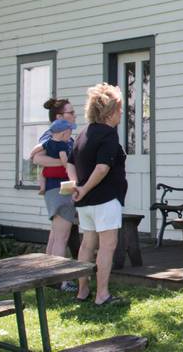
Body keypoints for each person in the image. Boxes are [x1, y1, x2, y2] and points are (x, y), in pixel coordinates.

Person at [66, 83, 127, 305]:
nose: (121, 114)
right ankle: (102, 294)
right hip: (105, 199)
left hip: (85, 202)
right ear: (110, 112)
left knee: (86, 245)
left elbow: (70, 163)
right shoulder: (109, 135)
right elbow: (103, 168)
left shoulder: (83, 133)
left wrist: (77, 186)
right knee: (107, 246)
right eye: (120, 109)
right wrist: (84, 187)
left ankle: (82, 292)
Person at [29, 97, 77, 292]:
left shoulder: (66, 137)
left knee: (54, 236)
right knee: (62, 237)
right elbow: (36, 158)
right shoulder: (51, 137)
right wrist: (66, 164)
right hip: (59, 188)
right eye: (71, 112)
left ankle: (46, 276)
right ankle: (61, 280)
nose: (74, 115)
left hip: (57, 188)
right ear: (59, 117)